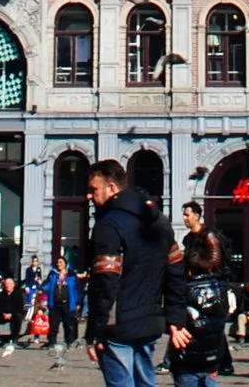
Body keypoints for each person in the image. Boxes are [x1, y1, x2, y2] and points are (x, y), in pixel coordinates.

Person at [86, 157, 173, 387]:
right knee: (146, 382)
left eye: (94, 189)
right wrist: (175, 318)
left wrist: (95, 330)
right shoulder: (159, 222)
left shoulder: (109, 224)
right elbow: (175, 271)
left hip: (119, 324)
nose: (90, 196)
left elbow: (106, 279)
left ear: (112, 188)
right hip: (149, 320)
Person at [165, 230, 234, 387]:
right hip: (212, 358)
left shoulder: (183, 289)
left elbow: (174, 318)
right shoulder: (221, 287)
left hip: (187, 360)